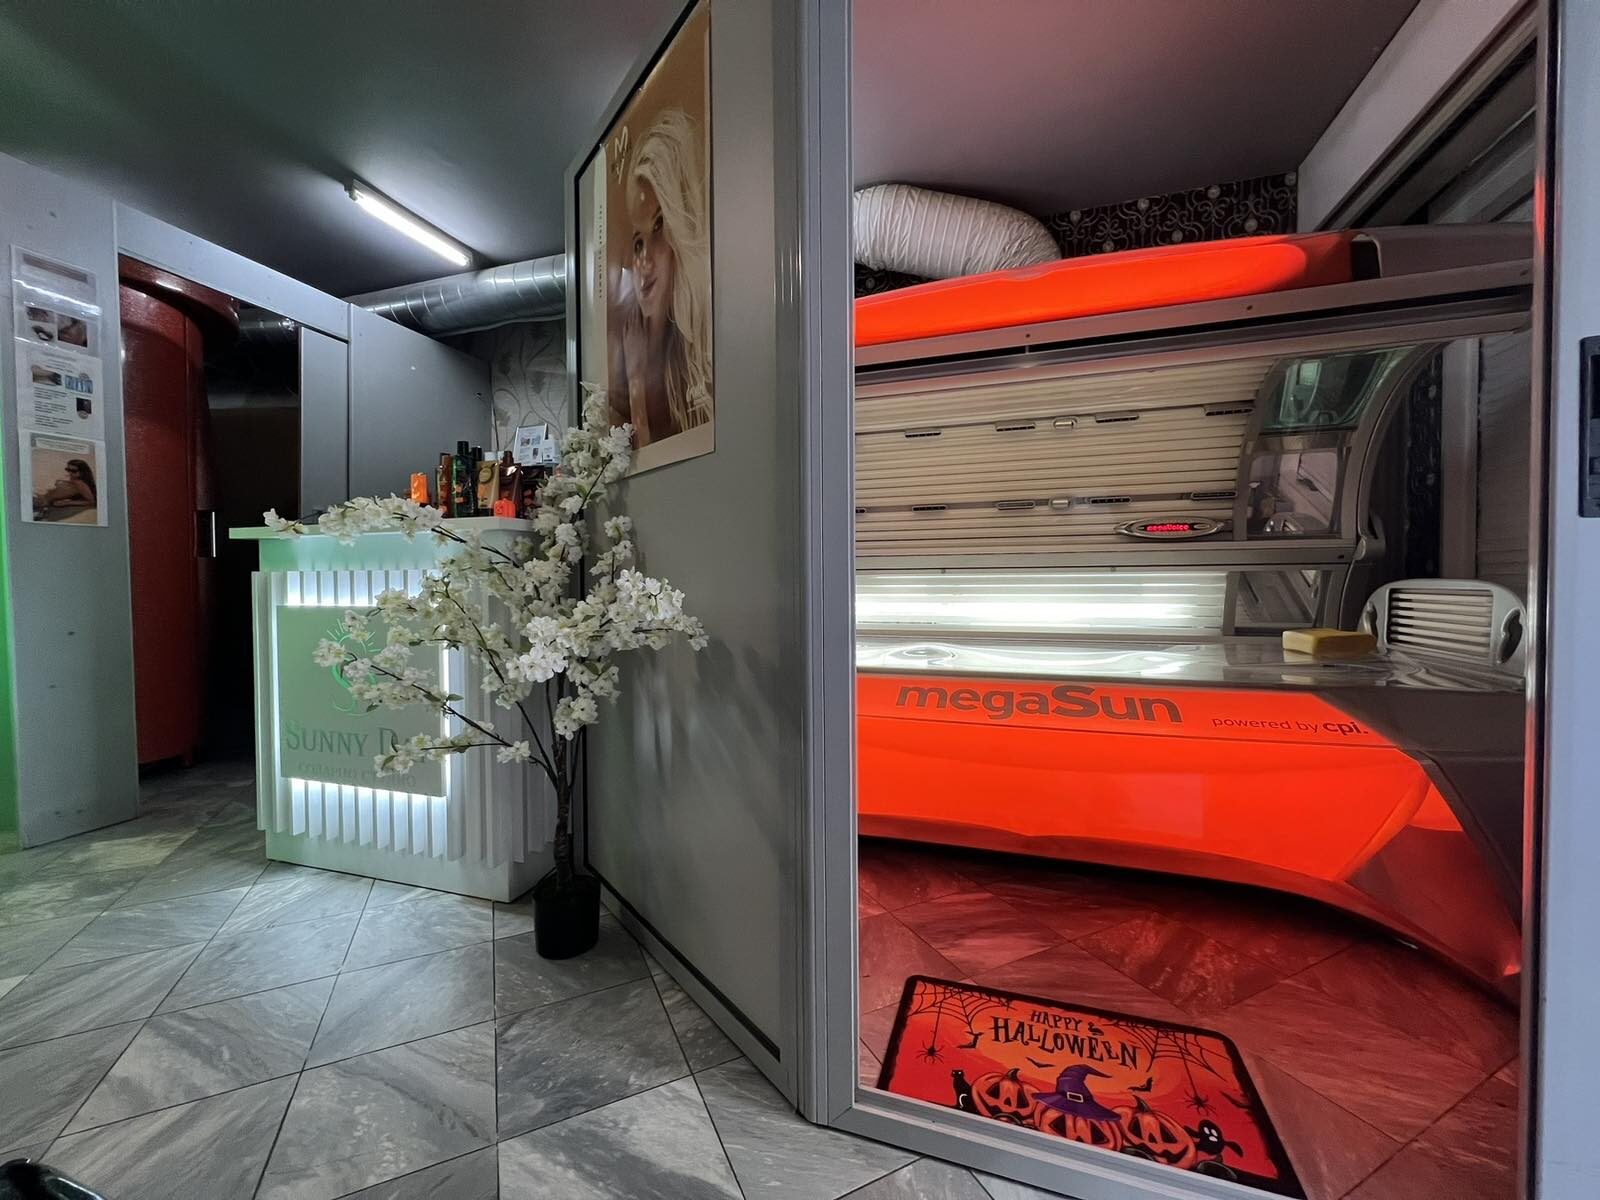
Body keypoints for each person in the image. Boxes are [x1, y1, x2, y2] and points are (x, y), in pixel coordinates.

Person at [607, 108, 712, 447]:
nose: (644, 260)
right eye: (638, 241)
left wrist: (637, 379)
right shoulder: (636, 346)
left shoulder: (709, 346)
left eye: (658, 226)